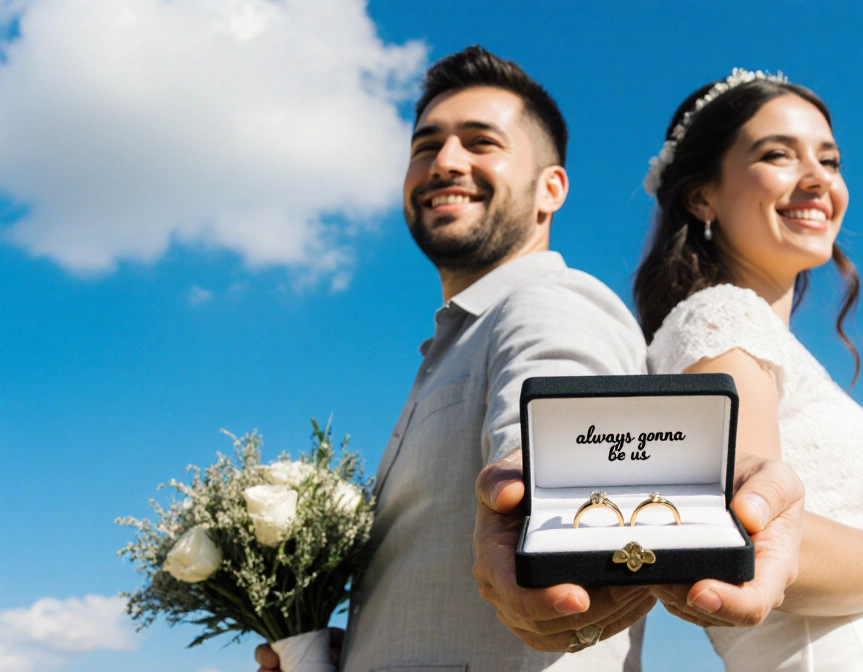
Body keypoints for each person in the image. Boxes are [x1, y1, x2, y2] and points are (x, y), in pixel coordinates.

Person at [256, 48, 808, 672]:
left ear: (551, 188)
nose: (445, 162)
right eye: (425, 145)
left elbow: (562, 483)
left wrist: (553, 507)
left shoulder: (549, 302)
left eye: (480, 142)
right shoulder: (453, 341)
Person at [634, 70, 863, 671]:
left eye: (829, 159)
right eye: (778, 154)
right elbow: (747, 527)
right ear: (702, 197)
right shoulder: (722, 319)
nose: (818, 179)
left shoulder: (762, 339)